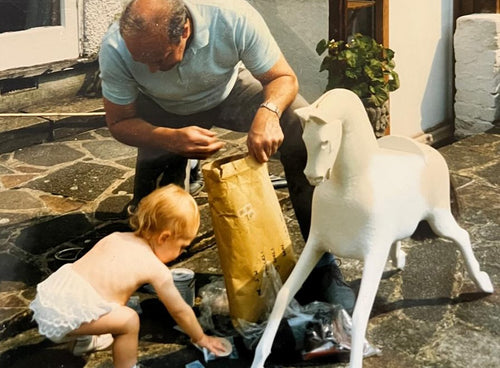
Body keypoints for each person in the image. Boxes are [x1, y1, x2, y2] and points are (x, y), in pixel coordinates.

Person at [99, 0, 355, 311]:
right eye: (142, 61)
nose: (150, 68)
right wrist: (168, 138)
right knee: (153, 214)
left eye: (157, 57)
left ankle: (323, 265)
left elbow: (282, 78)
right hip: (163, 109)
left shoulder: (232, 15)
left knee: (300, 128)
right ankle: (148, 264)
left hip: (228, 92)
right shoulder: (116, 47)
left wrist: (269, 112)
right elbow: (120, 122)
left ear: (184, 30)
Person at [30, 185, 229, 368]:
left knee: (110, 304)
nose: (181, 253)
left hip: (53, 300)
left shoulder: (115, 237)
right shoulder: (154, 267)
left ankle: (83, 341)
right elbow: (180, 311)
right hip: (68, 316)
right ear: (164, 237)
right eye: (182, 247)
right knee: (128, 321)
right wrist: (201, 338)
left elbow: (103, 289)